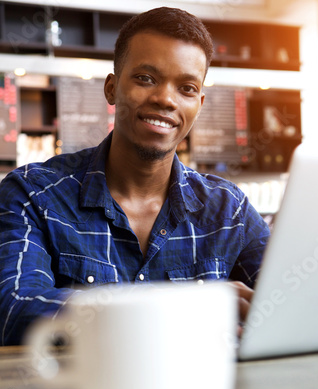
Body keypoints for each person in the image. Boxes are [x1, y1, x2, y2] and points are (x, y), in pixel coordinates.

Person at [0, 7, 270, 345]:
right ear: (112, 88)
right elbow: (14, 310)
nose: (165, 99)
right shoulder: (33, 195)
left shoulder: (229, 210)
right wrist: (185, 308)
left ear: (199, 105)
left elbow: (291, 299)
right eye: (146, 78)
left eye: (186, 88)